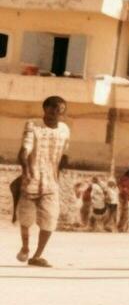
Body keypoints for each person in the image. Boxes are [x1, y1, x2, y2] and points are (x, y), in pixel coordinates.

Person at [15, 96, 70, 267]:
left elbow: (65, 153)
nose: (55, 112)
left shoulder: (64, 129)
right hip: (31, 181)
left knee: (50, 218)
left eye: (60, 109)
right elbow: (25, 148)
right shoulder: (33, 125)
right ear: (45, 109)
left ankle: (37, 256)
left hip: (51, 183)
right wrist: (25, 169)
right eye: (52, 108)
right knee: (26, 218)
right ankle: (25, 247)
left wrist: (62, 171)